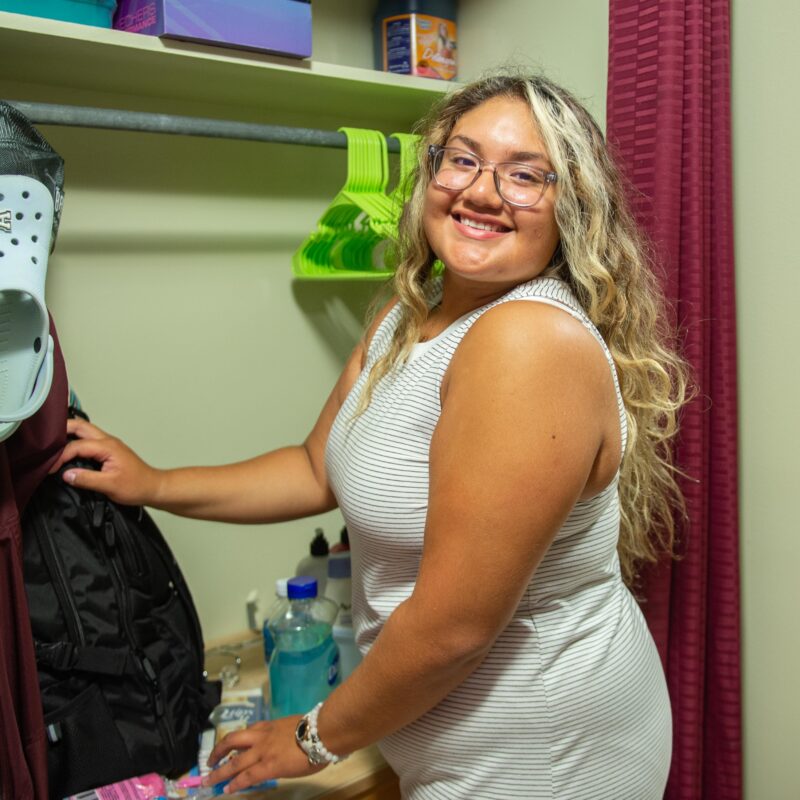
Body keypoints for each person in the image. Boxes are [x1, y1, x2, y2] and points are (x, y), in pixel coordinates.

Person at [52, 72, 690, 799]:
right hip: (438, 735)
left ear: (570, 207)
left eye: (525, 175)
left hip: (545, 752)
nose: (482, 191)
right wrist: (155, 483)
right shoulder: (407, 316)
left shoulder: (528, 342)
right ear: (430, 175)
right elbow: (314, 467)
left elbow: (453, 629)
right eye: (463, 159)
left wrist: (312, 737)